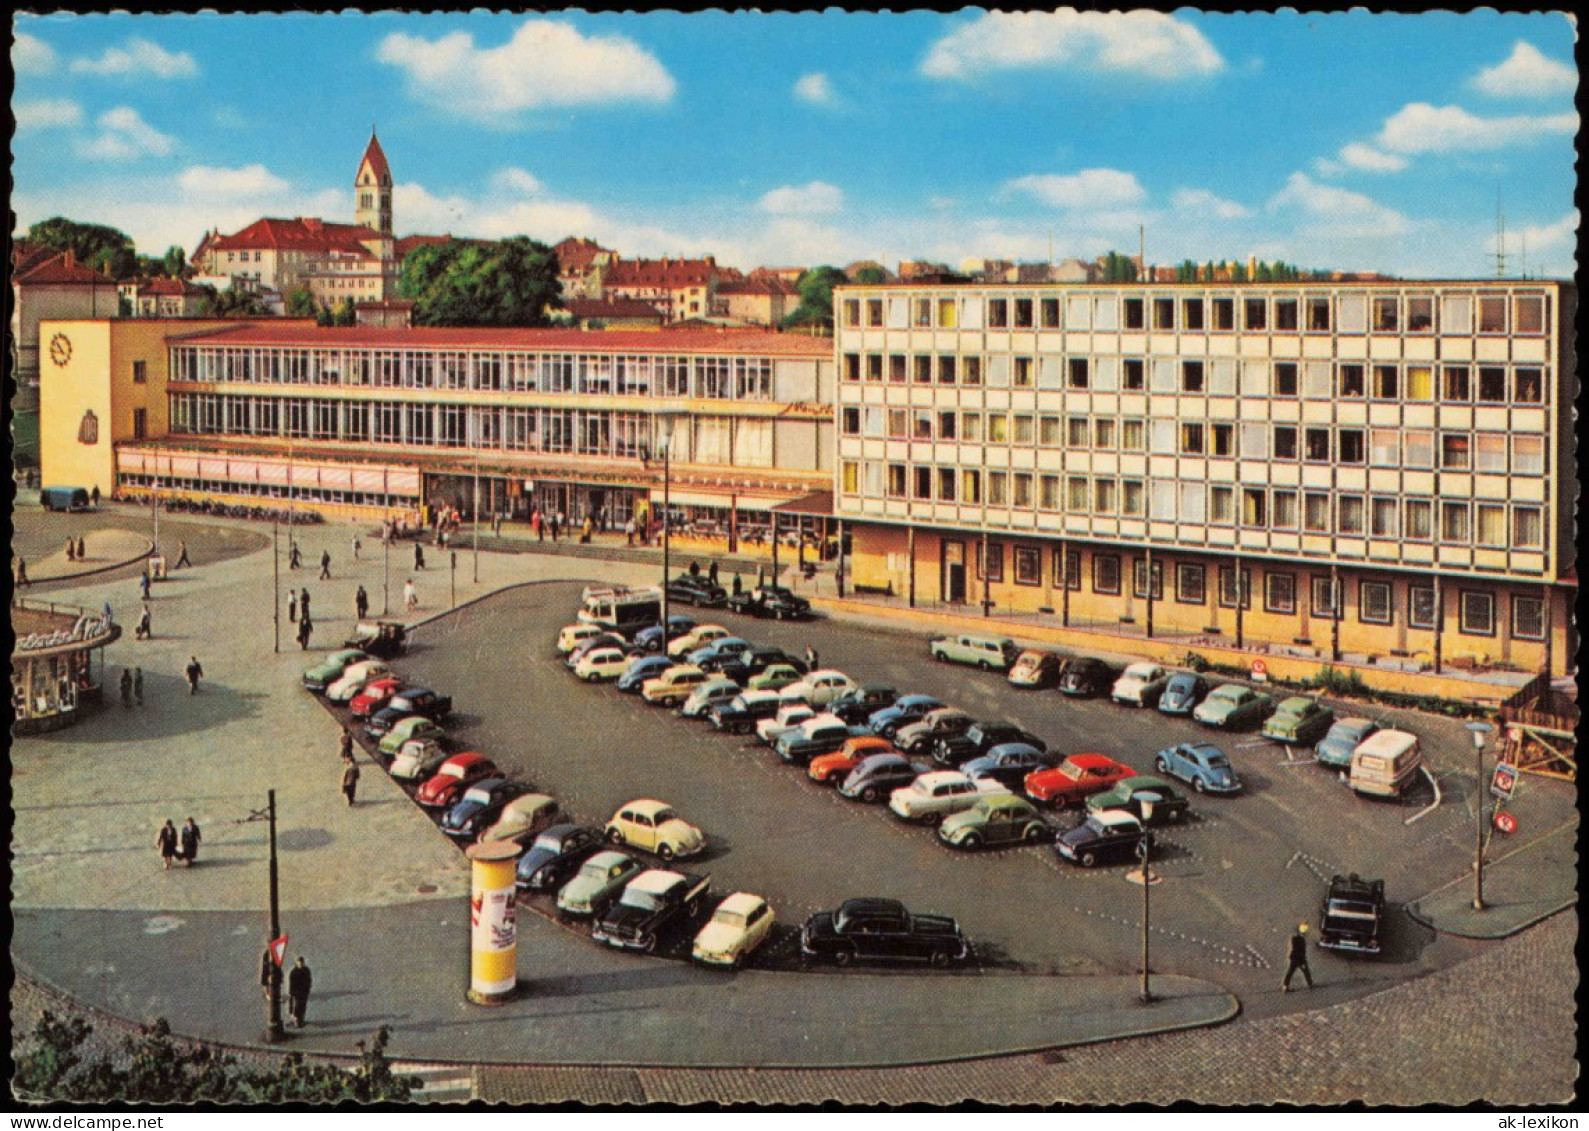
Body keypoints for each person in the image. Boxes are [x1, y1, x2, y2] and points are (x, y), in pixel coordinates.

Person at [1282, 923, 1314, 992]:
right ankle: (1309, 983)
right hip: (1299, 958)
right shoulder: (1301, 939)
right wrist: (1303, 958)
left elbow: (1295, 948)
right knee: (1305, 970)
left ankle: (1286, 985)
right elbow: (1301, 950)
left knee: (1291, 971)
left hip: (1295, 957)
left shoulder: (1294, 938)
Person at [286, 956, 313, 1028]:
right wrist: (291, 993)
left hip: (303, 992)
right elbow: (291, 983)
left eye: (301, 962)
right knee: (296, 1007)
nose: (300, 964)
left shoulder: (306, 970)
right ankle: (297, 1021)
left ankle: (300, 1020)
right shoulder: (294, 972)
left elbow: (309, 981)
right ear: (296, 963)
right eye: (299, 962)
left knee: (302, 1006)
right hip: (296, 993)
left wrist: (307, 989)